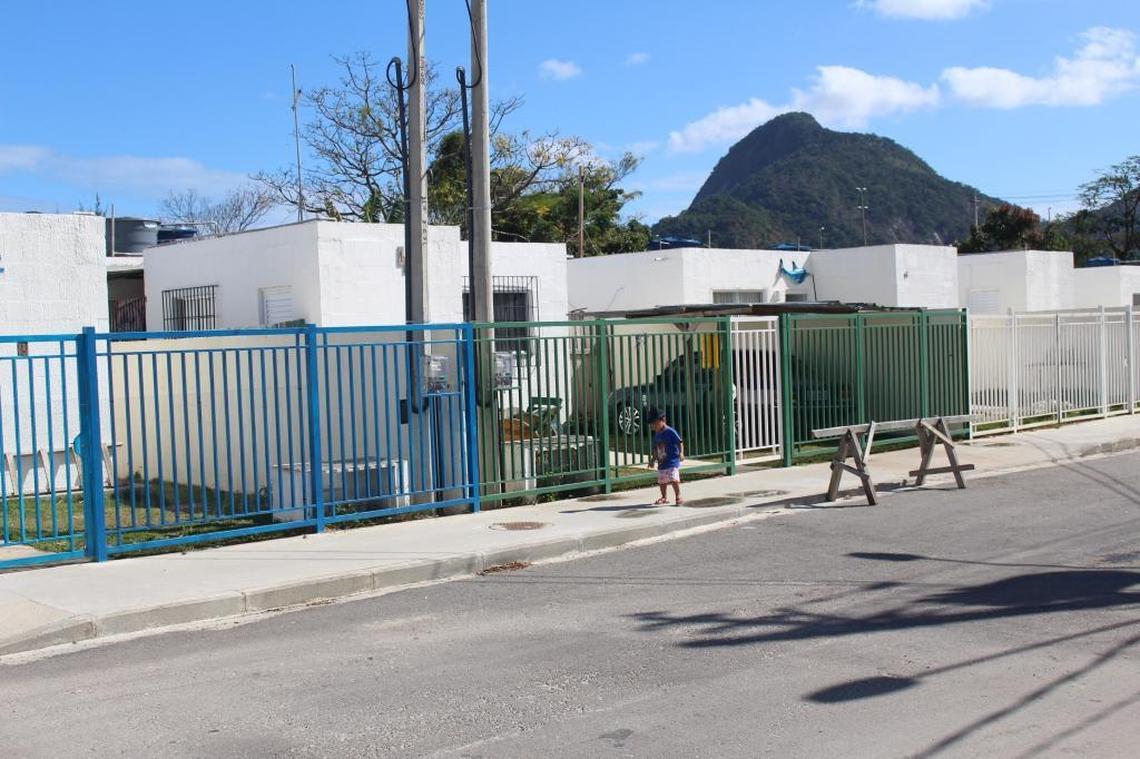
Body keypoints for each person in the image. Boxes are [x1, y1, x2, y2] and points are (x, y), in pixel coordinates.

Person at [646, 407, 684, 505]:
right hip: (662, 462)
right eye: (651, 424)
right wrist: (652, 459)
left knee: (674, 479)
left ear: (662, 420)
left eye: (654, 423)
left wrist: (681, 453)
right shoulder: (657, 434)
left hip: (672, 461)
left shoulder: (670, 432)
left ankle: (678, 496)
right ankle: (664, 497)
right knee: (662, 481)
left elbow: (680, 442)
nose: (652, 426)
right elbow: (655, 449)